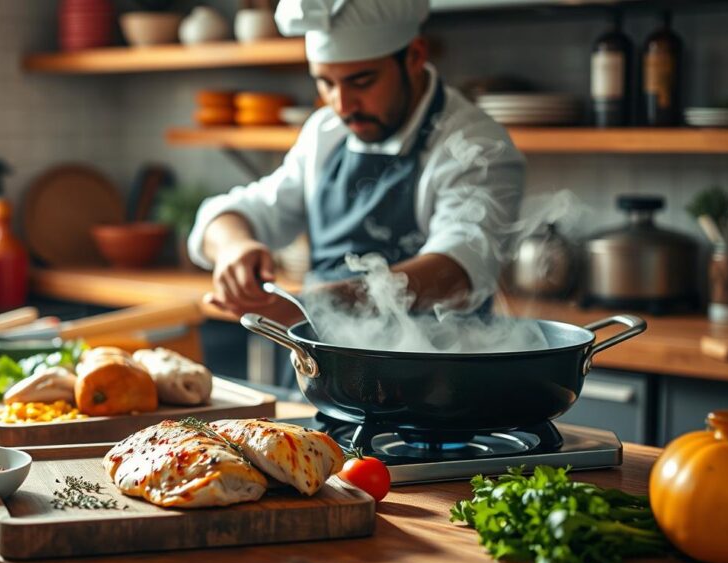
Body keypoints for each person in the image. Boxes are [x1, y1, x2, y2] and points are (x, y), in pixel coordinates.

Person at [187, 0, 526, 325]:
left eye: (362, 81)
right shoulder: (325, 130)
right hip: (318, 369)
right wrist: (235, 248)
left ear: (414, 57)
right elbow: (243, 210)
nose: (342, 104)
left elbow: (457, 270)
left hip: (437, 373)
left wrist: (318, 306)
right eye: (325, 82)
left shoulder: (477, 144)